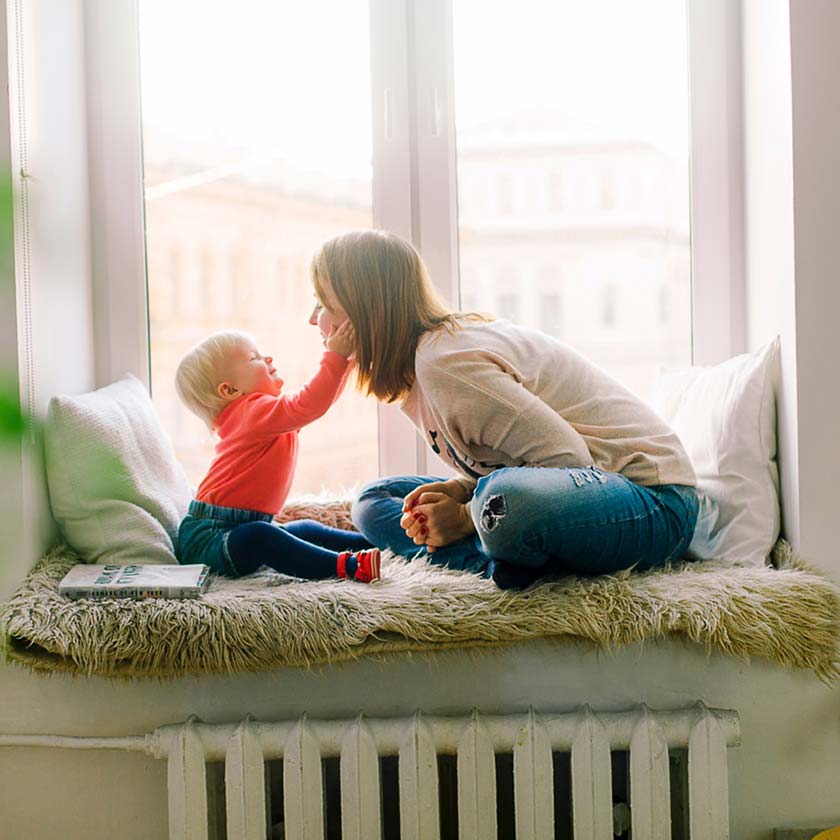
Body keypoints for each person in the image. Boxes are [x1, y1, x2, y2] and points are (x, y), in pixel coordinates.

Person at [307, 229, 699, 589]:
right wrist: (464, 492)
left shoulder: (445, 363)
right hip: (572, 494)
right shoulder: (418, 372)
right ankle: (500, 562)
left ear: (364, 311)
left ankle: (495, 553)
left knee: (504, 501)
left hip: (653, 502)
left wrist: (463, 516)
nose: (313, 319)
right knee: (375, 499)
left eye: (324, 304)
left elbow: (569, 461)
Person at [174, 325, 381, 583]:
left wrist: (347, 362)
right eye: (254, 358)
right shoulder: (251, 413)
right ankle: (346, 566)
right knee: (261, 537)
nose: (267, 358)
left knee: (303, 529)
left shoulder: (261, 416)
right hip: (209, 539)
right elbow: (309, 403)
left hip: (237, 527)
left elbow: (317, 404)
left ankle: (375, 543)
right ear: (229, 391)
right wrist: (336, 358)